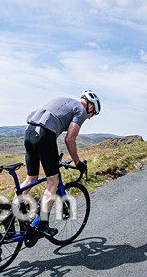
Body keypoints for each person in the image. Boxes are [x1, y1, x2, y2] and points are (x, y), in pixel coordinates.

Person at [19, 90, 100, 237]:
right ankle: (42, 225)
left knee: (31, 179)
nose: (89, 118)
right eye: (92, 114)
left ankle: (13, 214)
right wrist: (78, 163)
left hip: (29, 132)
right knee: (53, 182)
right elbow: (69, 139)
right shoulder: (80, 110)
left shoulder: (65, 101)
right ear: (91, 107)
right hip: (44, 135)